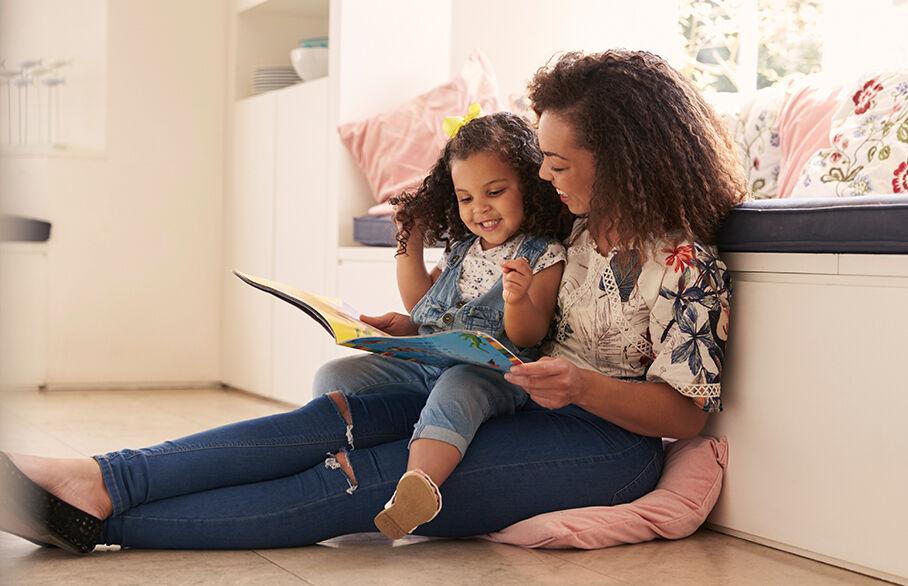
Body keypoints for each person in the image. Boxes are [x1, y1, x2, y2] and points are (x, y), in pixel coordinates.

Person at [0, 49, 746, 554]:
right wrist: (419, 333)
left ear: (621, 163)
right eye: (543, 161)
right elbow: (492, 287)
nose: (546, 178)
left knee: (357, 481)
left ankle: (103, 521)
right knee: (325, 422)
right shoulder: (569, 232)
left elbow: (685, 412)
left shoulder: (688, 265)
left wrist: (582, 384)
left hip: (601, 445)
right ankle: (98, 479)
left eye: (558, 163)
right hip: (513, 394)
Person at [319, 107, 570, 539]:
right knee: (336, 373)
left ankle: (417, 487)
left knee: (458, 388)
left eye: (494, 192)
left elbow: (530, 335)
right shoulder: (462, 250)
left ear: (528, 187)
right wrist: (407, 250)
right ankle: (349, 450)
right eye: (466, 198)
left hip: (492, 375)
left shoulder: (542, 253)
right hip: (427, 362)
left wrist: (518, 298)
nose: (480, 209)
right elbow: (423, 306)